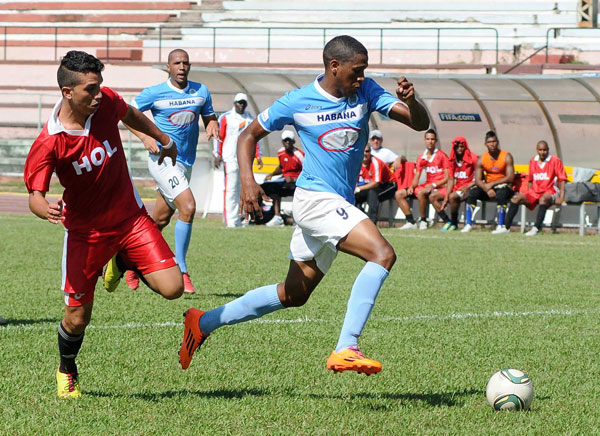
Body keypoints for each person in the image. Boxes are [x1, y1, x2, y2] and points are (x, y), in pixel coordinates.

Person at [178, 35, 429, 375]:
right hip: (315, 200)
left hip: (336, 202)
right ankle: (347, 347)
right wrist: (249, 181)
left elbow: (419, 123)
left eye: (364, 70)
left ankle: (202, 322)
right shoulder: (298, 101)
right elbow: (247, 135)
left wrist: (412, 102)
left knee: (293, 293)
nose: (361, 76)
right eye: (356, 70)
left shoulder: (366, 91)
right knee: (382, 254)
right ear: (333, 66)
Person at [24, 51, 184, 399]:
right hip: (86, 234)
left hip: (130, 218)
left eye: (100, 87)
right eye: (90, 90)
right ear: (67, 92)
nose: (99, 95)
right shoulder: (50, 141)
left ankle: (121, 259)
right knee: (77, 318)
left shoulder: (106, 102)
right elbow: (35, 195)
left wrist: (163, 138)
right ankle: (67, 368)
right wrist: (45, 209)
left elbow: (129, 114)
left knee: (173, 287)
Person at [122, 49, 219, 294]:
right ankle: (182, 270)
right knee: (188, 206)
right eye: (177, 63)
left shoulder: (201, 91)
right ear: (168, 67)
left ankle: (129, 262)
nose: (182, 67)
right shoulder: (155, 93)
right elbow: (126, 115)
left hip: (185, 162)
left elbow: (209, 116)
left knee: (160, 220)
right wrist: (145, 137)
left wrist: (212, 125)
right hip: (162, 160)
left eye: (186, 62)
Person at [497, 140, 566, 236]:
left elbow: (562, 179)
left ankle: (536, 228)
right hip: (535, 191)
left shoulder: (555, 161)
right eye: (540, 150)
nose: (542, 152)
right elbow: (530, 180)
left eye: (545, 150)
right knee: (516, 198)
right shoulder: (533, 161)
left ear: (548, 150)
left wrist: (561, 197)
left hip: (550, 191)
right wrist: (528, 194)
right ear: (537, 150)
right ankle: (506, 227)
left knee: (543, 199)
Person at [214, 92, 263, 228]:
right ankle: (229, 220)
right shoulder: (226, 117)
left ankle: (237, 218)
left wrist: (258, 155)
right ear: (234, 103)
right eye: (239, 102)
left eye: (243, 103)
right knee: (230, 189)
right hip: (229, 157)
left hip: (245, 158)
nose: (241, 105)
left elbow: (255, 138)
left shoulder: (249, 119)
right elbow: (219, 136)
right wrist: (217, 154)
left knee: (242, 188)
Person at [397, 129, 450, 230]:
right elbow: (417, 175)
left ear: (436, 141)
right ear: (424, 140)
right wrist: (412, 186)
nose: (430, 141)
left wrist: (434, 185)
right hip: (427, 186)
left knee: (421, 192)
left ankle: (423, 221)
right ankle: (411, 221)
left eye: (432, 139)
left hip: (439, 187)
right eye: (428, 139)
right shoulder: (422, 157)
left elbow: (447, 177)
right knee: (399, 194)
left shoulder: (442, 156)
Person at [462, 130, 515, 233]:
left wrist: (492, 184)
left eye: (494, 141)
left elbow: (510, 177)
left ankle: (501, 226)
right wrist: (486, 189)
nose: (492, 144)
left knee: (502, 194)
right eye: (490, 142)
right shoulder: (482, 158)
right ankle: (468, 224)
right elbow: (477, 179)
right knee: (473, 193)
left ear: (498, 142)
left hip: (503, 186)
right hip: (488, 188)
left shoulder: (506, 156)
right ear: (485, 144)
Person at [261, 129, 305, 227]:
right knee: (269, 187)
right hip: (284, 181)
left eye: (289, 140)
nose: (287, 142)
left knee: (299, 192)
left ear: (293, 142)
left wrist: (294, 179)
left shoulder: (300, 155)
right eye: (285, 140)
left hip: (297, 182)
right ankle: (277, 217)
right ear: (282, 142)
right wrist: (271, 175)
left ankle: (296, 220)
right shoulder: (280, 152)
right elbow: (282, 167)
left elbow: (306, 171)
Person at [438, 136, 478, 231]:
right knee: (433, 196)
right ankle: (447, 221)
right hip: (458, 187)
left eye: (461, 146)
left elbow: (479, 178)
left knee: (452, 197)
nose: (459, 149)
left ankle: (454, 223)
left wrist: (467, 187)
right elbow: (451, 180)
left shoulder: (473, 158)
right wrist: (445, 198)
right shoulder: (452, 160)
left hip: (471, 188)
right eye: (457, 147)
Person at [354, 144, 397, 224]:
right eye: (362, 151)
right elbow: (355, 181)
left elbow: (376, 183)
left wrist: (358, 189)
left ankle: (372, 222)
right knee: (353, 196)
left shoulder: (375, 162)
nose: (364, 153)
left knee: (372, 194)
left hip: (389, 185)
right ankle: (357, 221)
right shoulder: (357, 162)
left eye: (367, 151)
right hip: (371, 187)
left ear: (370, 152)